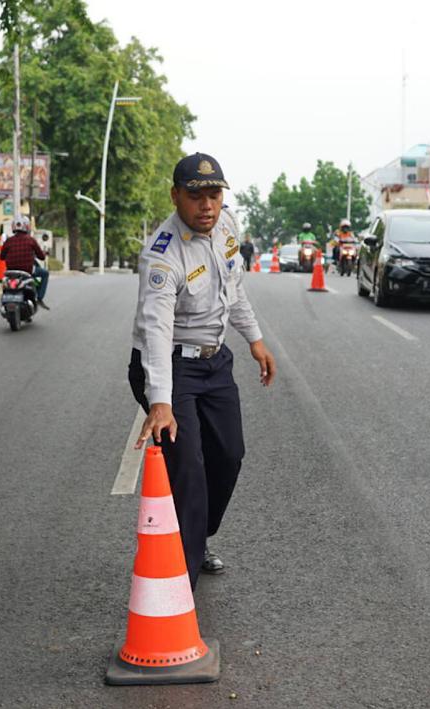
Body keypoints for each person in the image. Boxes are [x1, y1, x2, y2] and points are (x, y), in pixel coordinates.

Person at [129, 152, 277, 589]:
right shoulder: (161, 256)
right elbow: (156, 330)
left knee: (229, 455)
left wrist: (254, 339)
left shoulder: (226, 226)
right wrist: (160, 402)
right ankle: (180, 587)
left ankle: (197, 535)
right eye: (196, 197)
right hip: (170, 367)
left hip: (214, 360)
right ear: (176, 196)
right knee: (188, 469)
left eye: (214, 195)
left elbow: (233, 287)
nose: (207, 206)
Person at [0, 216, 50, 309]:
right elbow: (41, 257)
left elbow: (2, 257)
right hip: (27, 271)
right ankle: (39, 298)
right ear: (27, 226)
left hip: (11, 272)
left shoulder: (9, 241)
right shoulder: (31, 240)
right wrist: (42, 253)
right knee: (45, 274)